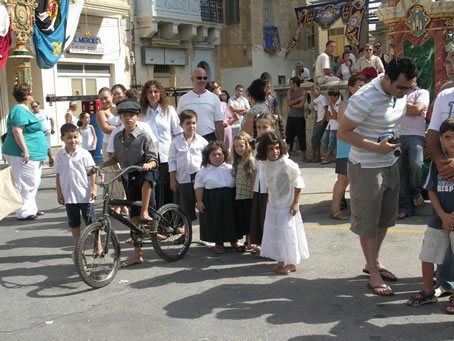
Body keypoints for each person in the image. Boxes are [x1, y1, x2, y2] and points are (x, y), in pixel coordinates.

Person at [338, 56, 418, 296]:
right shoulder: (364, 98)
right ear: (386, 78)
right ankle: (373, 272)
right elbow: (343, 133)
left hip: (391, 162)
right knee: (368, 223)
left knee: (385, 219)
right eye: (401, 87)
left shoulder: (401, 95)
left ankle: (374, 261)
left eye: (409, 88)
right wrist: (376, 147)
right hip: (366, 166)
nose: (405, 93)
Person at [94, 99, 158, 267]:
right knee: (133, 218)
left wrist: (148, 164)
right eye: (124, 115)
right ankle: (137, 254)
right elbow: (114, 158)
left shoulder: (144, 135)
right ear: (120, 117)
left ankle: (146, 212)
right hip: (129, 177)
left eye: (131, 115)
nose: (128, 118)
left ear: (137, 116)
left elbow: (153, 158)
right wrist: (100, 165)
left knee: (146, 175)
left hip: (145, 173)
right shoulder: (117, 137)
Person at [406, 118, 454, 314]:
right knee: (428, 255)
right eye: (448, 137)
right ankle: (428, 290)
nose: (452, 141)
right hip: (438, 220)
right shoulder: (438, 163)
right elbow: (431, 191)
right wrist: (443, 215)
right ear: (441, 139)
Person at [256, 132, 309, 274]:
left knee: (287, 233)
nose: (275, 152)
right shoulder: (265, 162)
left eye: (277, 148)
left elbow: (297, 182)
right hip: (273, 204)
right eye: (270, 149)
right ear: (264, 150)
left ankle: (291, 263)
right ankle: (281, 259)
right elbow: (270, 182)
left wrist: (296, 202)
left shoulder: (286, 163)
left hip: (286, 205)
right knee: (276, 233)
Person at [426, 57, 454, 299]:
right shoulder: (445, 97)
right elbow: (433, 133)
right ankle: (444, 281)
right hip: (445, 174)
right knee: (444, 230)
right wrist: (440, 163)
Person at [2, 83, 47, 220]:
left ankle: (30, 207)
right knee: (25, 182)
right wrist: (25, 150)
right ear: (27, 95)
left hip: (33, 152)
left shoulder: (25, 110)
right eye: (30, 93)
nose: (32, 95)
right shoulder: (18, 111)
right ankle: (24, 211)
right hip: (20, 153)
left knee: (33, 181)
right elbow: (17, 131)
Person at [140, 80, 182, 208]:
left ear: (160, 93)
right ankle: (156, 221)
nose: (153, 94)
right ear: (145, 95)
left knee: (168, 189)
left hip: (166, 155)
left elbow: (178, 133)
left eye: (155, 91)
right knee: (154, 189)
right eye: (150, 92)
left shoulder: (168, 110)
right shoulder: (141, 113)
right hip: (148, 157)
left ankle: (171, 220)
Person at [194, 141, 242, 254]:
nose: (217, 157)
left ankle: (234, 241)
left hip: (230, 198)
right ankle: (218, 243)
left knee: (232, 220)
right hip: (213, 200)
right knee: (216, 221)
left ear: (224, 154)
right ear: (208, 157)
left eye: (219, 154)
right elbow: (199, 187)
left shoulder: (231, 168)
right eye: (213, 155)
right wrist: (199, 201)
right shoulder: (203, 172)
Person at [329, 75, 366, 220]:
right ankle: (335, 209)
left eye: (364, 85)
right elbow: (343, 123)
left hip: (360, 146)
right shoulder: (345, 104)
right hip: (346, 147)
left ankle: (356, 210)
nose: (362, 88)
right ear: (351, 88)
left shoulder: (365, 104)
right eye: (359, 85)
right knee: (343, 179)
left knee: (359, 180)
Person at [55, 123, 96, 245]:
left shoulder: (84, 154)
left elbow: (92, 171)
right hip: (69, 196)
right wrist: (59, 193)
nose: (73, 140)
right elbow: (58, 175)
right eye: (69, 137)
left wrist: (94, 188)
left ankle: (97, 245)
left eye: (75, 137)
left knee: (91, 222)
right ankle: (78, 247)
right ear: (62, 138)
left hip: (85, 194)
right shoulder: (59, 155)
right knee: (74, 223)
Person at [168, 109, 208, 222]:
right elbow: (172, 161)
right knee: (186, 208)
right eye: (188, 123)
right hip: (183, 179)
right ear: (181, 125)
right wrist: (172, 180)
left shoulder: (202, 142)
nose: (191, 126)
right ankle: (187, 232)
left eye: (194, 123)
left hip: (199, 178)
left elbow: (207, 161)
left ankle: (206, 235)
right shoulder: (175, 142)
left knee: (203, 205)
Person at [397, 86, 430, 219]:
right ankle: (404, 206)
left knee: (417, 164)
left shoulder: (422, 92)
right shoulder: (395, 93)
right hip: (396, 135)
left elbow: (417, 109)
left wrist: (398, 106)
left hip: (416, 135)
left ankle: (415, 192)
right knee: (400, 171)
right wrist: (408, 107)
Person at [249, 113, 278, 256]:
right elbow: (256, 168)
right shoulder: (258, 144)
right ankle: (261, 243)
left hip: (271, 187)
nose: (261, 130)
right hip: (259, 186)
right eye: (259, 127)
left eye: (264, 127)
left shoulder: (276, 145)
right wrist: (253, 188)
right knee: (260, 216)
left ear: (273, 127)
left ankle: (272, 245)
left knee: (270, 216)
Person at [96, 87, 127, 215]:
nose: (104, 100)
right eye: (101, 98)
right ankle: (116, 203)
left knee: (123, 171)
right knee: (113, 173)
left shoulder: (118, 108)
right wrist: (121, 127)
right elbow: (105, 128)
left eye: (106, 97)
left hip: (122, 144)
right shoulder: (101, 112)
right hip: (108, 144)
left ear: (111, 96)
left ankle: (123, 202)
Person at [176, 68, 224, 142]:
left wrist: (221, 143)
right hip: (189, 139)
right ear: (192, 79)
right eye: (199, 78)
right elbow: (178, 121)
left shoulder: (214, 98)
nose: (202, 80)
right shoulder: (184, 99)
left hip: (209, 138)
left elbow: (219, 123)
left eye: (205, 78)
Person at [232, 132, 255, 249]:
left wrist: (253, 192)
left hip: (248, 195)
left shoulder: (250, 160)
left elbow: (254, 178)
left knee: (249, 219)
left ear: (247, 146)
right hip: (240, 195)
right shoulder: (237, 161)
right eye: (236, 146)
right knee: (244, 219)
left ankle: (249, 241)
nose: (239, 149)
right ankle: (247, 239)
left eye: (241, 146)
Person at [206, 81, 237, 149]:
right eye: (217, 87)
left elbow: (227, 122)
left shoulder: (224, 104)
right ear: (212, 90)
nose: (220, 88)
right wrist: (223, 123)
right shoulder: (209, 105)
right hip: (216, 136)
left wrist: (233, 119)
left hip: (227, 135)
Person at [286, 77, 307, 160]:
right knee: (288, 136)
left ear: (295, 84)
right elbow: (288, 103)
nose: (289, 85)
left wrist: (292, 105)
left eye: (291, 83)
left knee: (301, 136)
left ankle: (303, 155)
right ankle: (288, 153)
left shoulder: (303, 91)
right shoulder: (289, 91)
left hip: (299, 117)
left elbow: (301, 105)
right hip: (291, 117)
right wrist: (298, 99)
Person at [31, 100, 55, 167]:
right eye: (33, 107)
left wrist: (52, 128)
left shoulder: (44, 112)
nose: (35, 108)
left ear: (39, 106)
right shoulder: (31, 115)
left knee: (47, 146)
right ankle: (40, 161)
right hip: (37, 133)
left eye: (36, 106)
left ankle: (50, 158)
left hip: (45, 132)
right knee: (39, 147)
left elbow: (52, 119)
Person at [321, 89, 341, 165]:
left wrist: (331, 106)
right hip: (329, 125)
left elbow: (336, 116)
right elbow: (328, 115)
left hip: (336, 126)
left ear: (337, 96)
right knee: (324, 141)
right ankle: (331, 156)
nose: (331, 99)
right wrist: (332, 116)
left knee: (332, 142)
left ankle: (327, 158)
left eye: (332, 97)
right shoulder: (331, 103)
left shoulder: (340, 104)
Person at [309, 85, 328, 163]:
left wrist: (322, 121)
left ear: (318, 90)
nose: (312, 92)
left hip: (322, 121)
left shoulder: (322, 98)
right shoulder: (315, 100)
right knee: (315, 139)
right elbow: (316, 112)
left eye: (313, 90)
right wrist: (315, 122)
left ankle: (316, 156)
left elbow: (326, 110)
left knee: (316, 138)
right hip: (318, 121)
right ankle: (315, 156)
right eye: (311, 91)